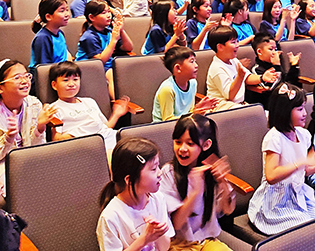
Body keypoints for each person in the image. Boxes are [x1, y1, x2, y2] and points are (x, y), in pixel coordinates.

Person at [247, 82, 315, 248]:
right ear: (285, 111)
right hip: (276, 203)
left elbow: (302, 171)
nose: (305, 113)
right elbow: (272, 176)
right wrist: (301, 162)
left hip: (299, 196)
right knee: (314, 233)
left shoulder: (303, 135)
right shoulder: (274, 138)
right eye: (300, 109)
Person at [0, 60, 56, 190]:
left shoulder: (34, 104)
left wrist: (40, 128)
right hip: (3, 165)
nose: (25, 81)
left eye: (26, 76)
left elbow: (36, 148)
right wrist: (8, 137)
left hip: (30, 158)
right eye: (17, 78)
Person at [159, 114, 236, 251]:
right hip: (178, 243)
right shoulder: (168, 173)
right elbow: (176, 224)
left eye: (190, 144)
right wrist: (195, 193)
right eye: (178, 142)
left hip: (206, 240)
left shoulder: (211, 169)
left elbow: (228, 209)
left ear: (206, 145)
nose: (182, 149)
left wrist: (223, 182)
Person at [97, 137, 174, 251]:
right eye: (153, 169)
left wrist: (158, 232)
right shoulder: (110, 217)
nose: (160, 173)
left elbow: (164, 247)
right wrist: (144, 239)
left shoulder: (157, 199)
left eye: (158, 166)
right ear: (129, 180)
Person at [49, 61, 128, 156]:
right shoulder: (54, 108)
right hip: (87, 146)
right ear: (54, 85)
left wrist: (116, 114)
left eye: (75, 79)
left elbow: (105, 127)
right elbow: (56, 139)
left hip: (109, 138)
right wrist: (81, 132)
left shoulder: (90, 102)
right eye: (66, 80)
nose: (71, 84)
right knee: (118, 156)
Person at [77, 0, 133, 98]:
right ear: (91, 17)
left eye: (108, 12)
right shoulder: (89, 36)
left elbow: (128, 48)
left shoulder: (108, 31)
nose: (108, 15)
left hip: (107, 65)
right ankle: (116, 101)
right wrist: (114, 40)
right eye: (103, 13)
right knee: (111, 73)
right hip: (88, 67)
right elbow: (100, 61)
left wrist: (121, 30)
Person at [152, 46, 218, 123]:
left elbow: (190, 110)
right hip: (163, 127)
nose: (196, 65)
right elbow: (167, 120)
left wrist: (198, 109)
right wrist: (193, 114)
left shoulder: (193, 83)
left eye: (195, 61)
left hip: (185, 123)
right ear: (178, 68)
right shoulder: (167, 89)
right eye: (192, 61)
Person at [205, 25, 259, 111]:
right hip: (221, 106)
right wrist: (240, 76)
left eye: (237, 41)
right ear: (220, 47)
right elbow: (230, 96)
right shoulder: (217, 68)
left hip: (237, 105)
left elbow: (247, 77)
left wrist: (263, 78)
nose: (237, 45)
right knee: (255, 113)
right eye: (233, 42)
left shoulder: (233, 60)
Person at [29, 0, 71, 69]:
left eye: (67, 10)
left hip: (61, 71)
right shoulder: (43, 38)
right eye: (62, 11)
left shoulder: (60, 33)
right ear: (48, 17)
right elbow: (45, 68)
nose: (67, 14)